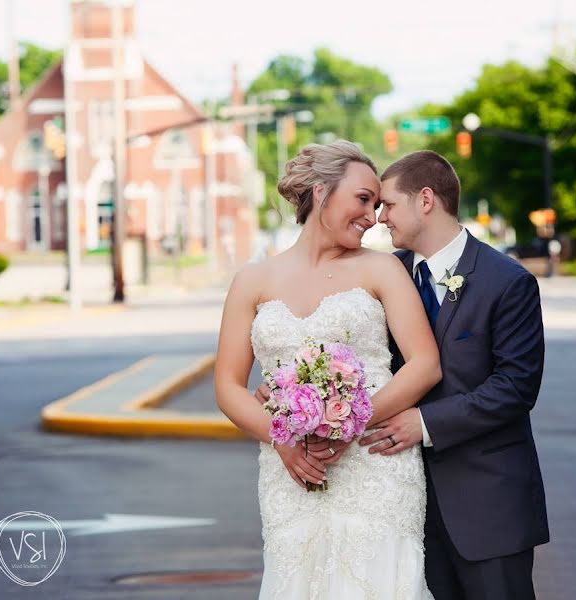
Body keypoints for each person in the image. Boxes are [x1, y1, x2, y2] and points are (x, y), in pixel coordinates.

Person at [214, 140, 441, 599]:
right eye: (362, 199)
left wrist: (349, 425)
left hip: (375, 467)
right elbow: (228, 386)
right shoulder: (252, 281)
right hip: (291, 472)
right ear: (320, 192)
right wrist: (282, 439)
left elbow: (425, 365)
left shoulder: (381, 270)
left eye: (378, 205)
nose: (372, 216)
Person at [360, 150, 548, 599]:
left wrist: (424, 424)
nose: (380, 217)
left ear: (426, 199)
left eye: (388, 204)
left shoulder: (507, 281)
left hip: (489, 507)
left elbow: (515, 387)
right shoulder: (388, 276)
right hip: (405, 506)